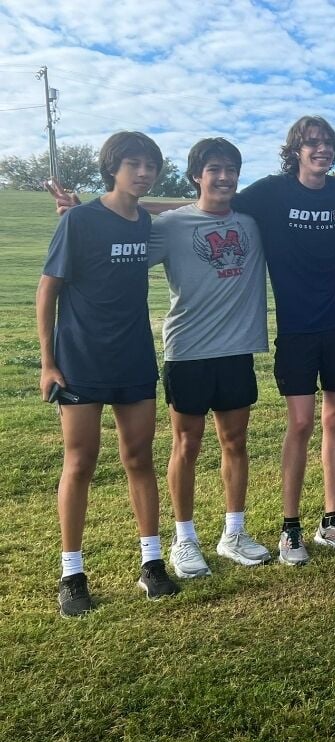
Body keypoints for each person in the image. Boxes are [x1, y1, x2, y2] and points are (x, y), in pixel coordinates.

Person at [37, 131, 179, 617]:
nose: (142, 173)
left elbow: (162, 208)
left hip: (134, 356)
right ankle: (72, 573)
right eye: (133, 164)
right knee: (80, 461)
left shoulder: (146, 222)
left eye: (150, 165)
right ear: (112, 167)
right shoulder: (79, 220)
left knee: (139, 457)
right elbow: (47, 290)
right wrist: (48, 361)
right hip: (80, 359)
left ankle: (152, 563)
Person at [228, 116, 335, 564]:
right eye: (312, 143)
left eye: (328, 143)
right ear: (296, 149)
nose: (322, 149)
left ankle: (332, 520)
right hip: (296, 329)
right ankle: (290, 528)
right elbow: (212, 203)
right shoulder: (271, 191)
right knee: (301, 424)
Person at [147, 138, 273, 577]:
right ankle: (185, 540)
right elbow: (121, 245)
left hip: (237, 350)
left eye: (231, 169)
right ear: (196, 175)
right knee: (187, 444)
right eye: (214, 169)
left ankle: (233, 533)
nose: (224, 177)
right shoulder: (170, 225)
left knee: (235, 443)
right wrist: (83, 215)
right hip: (187, 351)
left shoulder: (253, 221)